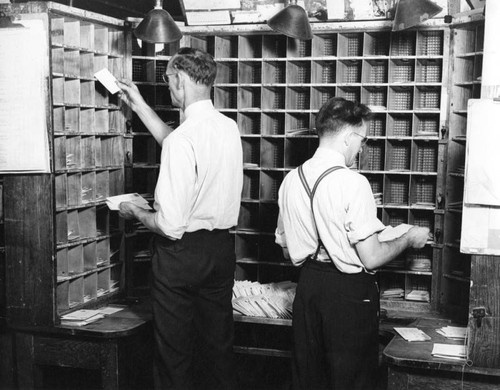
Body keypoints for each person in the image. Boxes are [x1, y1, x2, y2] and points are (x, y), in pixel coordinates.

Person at [275, 97, 429, 390]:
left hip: (308, 287)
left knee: (308, 379)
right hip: (347, 294)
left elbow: (286, 248)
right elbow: (370, 257)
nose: (362, 148)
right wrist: (408, 238)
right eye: (363, 139)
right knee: (351, 380)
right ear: (348, 137)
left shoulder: (291, 180)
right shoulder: (353, 183)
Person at [116, 47, 243, 390]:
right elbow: (176, 142)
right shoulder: (228, 128)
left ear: (182, 80)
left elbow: (170, 225)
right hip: (220, 252)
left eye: (170, 81)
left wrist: (135, 211)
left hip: (180, 255)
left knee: (174, 356)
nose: (169, 88)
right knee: (217, 350)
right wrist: (139, 103)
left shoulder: (183, 140)